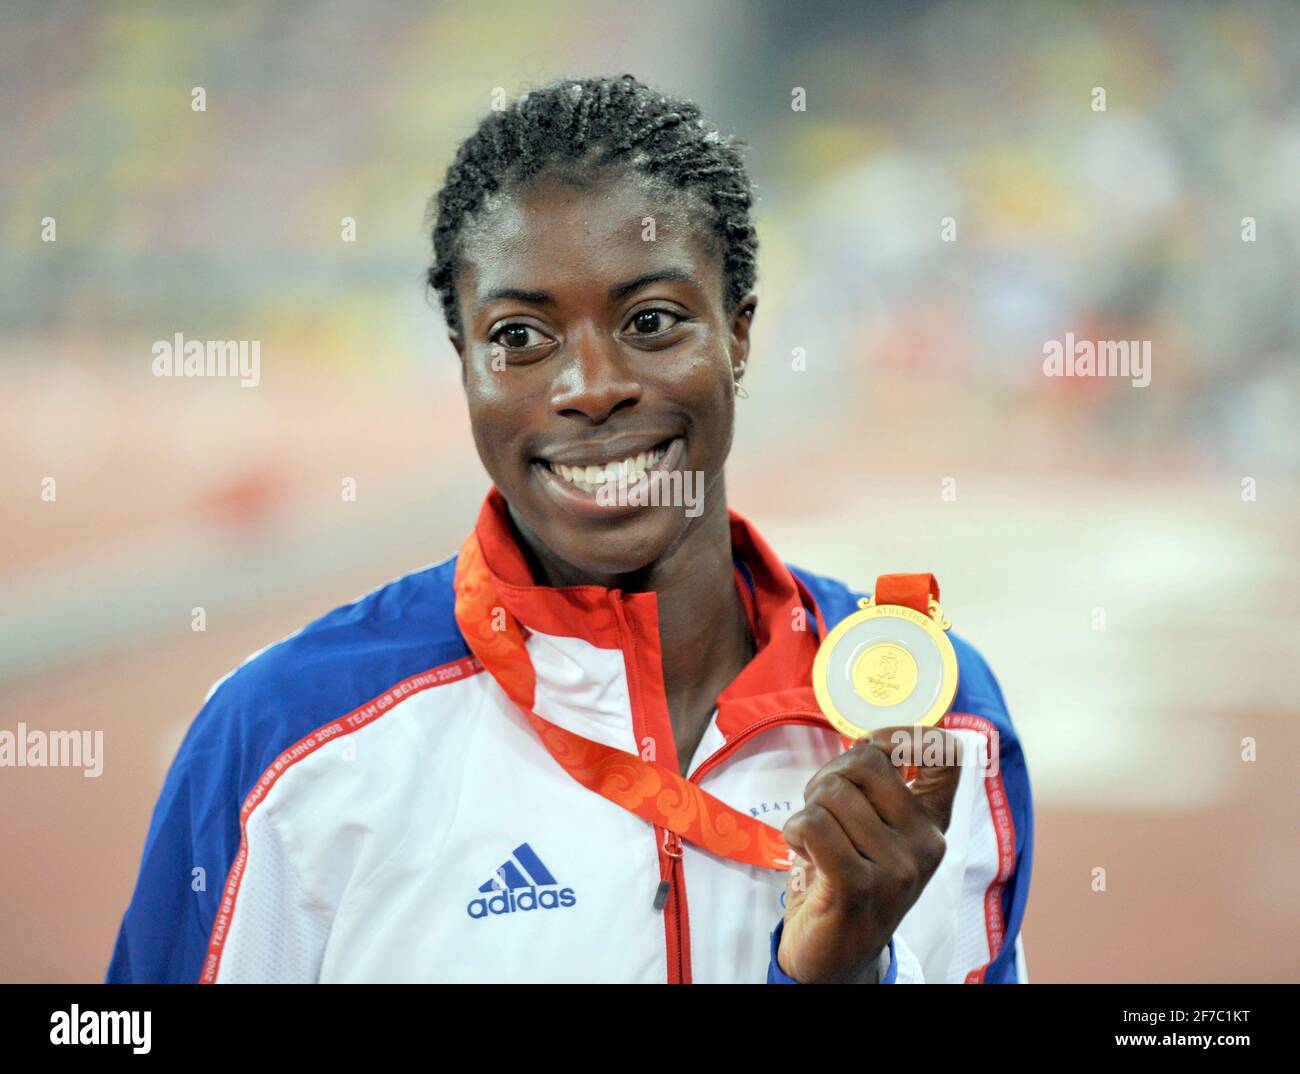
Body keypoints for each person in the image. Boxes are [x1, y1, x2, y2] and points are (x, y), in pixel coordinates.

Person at [106, 74, 1032, 984]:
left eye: (653, 320)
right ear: (463, 361)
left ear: (740, 335)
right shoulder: (283, 737)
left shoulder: (930, 725)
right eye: (517, 336)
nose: (590, 386)